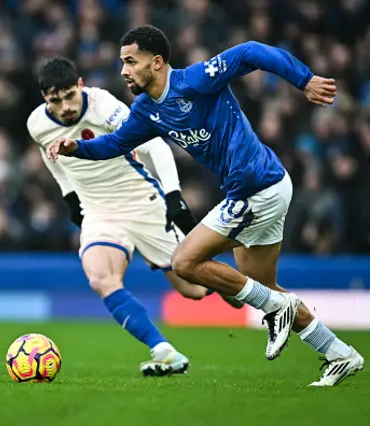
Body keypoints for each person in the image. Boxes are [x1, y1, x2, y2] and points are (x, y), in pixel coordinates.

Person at [46, 26, 364, 387]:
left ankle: (280, 309)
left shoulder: (196, 79)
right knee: (263, 289)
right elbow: (115, 144)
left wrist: (304, 80)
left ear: (157, 61)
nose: (124, 71)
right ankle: (340, 353)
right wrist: (78, 149)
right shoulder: (147, 110)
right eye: (122, 63)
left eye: (130, 61)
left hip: (256, 186)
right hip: (260, 189)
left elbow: (249, 51)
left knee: (185, 262)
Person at [28, 57, 242, 377]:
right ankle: (163, 350)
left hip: (144, 203)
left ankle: (241, 287)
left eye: (70, 95)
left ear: (81, 85)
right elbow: (54, 160)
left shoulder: (103, 106)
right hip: (99, 212)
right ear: (45, 99)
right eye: (54, 100)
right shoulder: (37, 124)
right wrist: (70, 196)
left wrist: (174, 195)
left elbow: (154, 145)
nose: (65, 107)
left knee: (193, 289)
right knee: (101, 278)